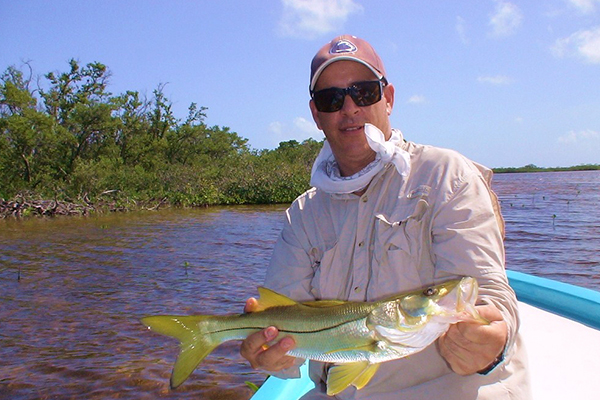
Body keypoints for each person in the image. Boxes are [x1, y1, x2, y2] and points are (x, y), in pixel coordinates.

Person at [240, 35, 531, 399]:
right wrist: (272, 358)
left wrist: (494, 340)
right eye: (331, 99)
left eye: (363, 92)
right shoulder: (303, 213)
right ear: (316, 115)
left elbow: (488, 291)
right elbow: (282, 321)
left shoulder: (446, 176)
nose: (350, 108)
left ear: (388, 98)